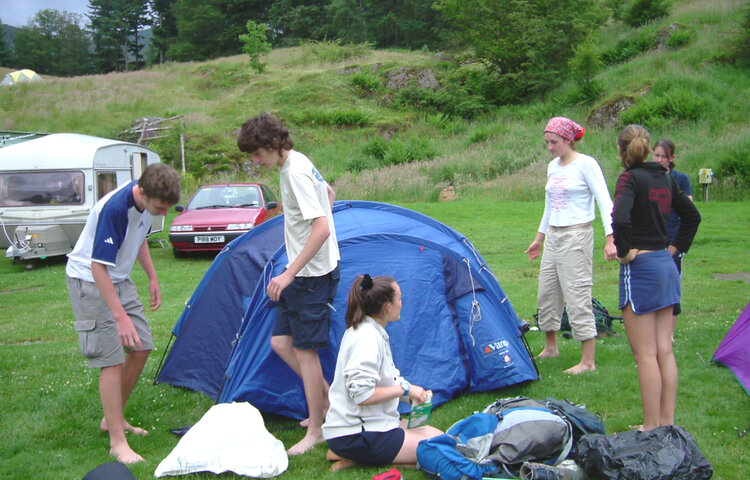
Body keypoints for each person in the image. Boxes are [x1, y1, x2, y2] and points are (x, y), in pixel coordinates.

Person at [237, 112, 340, 456]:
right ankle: (326, 404)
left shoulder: (294, 171)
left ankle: (317, 429)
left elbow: (322, 228)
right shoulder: (295, 163)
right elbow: (329, 192)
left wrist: (290, 271)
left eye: (256, 153)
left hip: (311, 276)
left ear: (273, 144)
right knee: (282, 342)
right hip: (304, 270)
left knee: (305, 351)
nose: (254, 161)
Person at [66, 163, 181, 463]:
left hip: (119, 277)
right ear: (142, 192)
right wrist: (119, 316)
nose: (164, 214)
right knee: (112, 359)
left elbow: (139, 236)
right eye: (160, 207)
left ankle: (112, 418)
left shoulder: (147, 198)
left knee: (141, 347)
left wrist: (153, 276)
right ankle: (117, 442)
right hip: (91, 280)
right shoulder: (116, 208)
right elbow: (97, 266)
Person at [612, 125, 701, 430]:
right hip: (666, 265)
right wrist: (674, 250)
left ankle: (651, 427)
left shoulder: (629, 179)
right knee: (664, 349)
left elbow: (620, 218)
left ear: (622, 150)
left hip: (642, 270)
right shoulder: (664, 176)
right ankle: (667, 423)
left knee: (646, 355)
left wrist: (624, 252)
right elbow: (692, 216)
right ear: (648, 148)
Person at [525, 116, 618, 374]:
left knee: (577, 294)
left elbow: (605, 201)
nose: (550, 147)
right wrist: (539, 238)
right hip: (554, 236)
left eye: (554, 142)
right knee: (547, 292)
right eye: (547, 142)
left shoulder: (587, 164)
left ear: (568, 139)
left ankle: (588, 361)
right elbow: (549, 206)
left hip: (577, 235)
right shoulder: (552, 167)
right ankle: (551, 347)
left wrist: (611, 238)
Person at [322, 274, 443, 471]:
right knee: (438, 449)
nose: (402, 303)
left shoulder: (372, 331)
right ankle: (357, 455)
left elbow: (388, 380)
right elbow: (362, 395)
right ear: (388, 306)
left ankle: (352, 455)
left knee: (441, 439)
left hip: (375, 426)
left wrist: (414, 392)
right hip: (357, 434)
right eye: (400, 299)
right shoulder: (367, 338)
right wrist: (404, 390)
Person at [652, 139, 694, 319]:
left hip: (673, 235)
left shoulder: (681, 179)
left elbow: (689, 209)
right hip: (654, 236)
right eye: (657, 155)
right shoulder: (649, 177)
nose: (660, 160)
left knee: (672, 281)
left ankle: (670, 330)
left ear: (672, 158)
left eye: (664, 156)